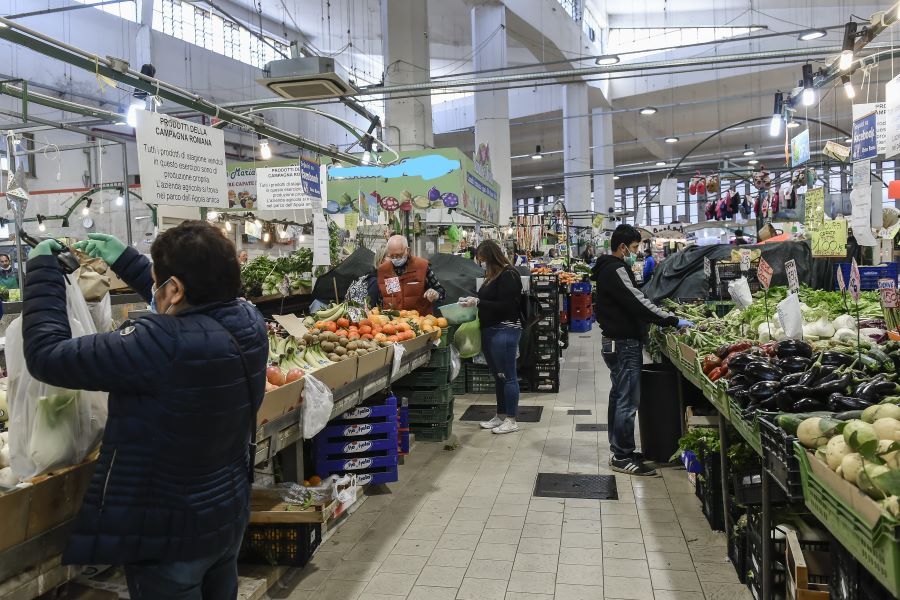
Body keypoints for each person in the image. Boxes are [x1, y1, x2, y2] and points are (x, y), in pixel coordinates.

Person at [23, 221, 268, 599]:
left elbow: (46, 357)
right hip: (225, 515)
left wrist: (41, 274)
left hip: (167, 534)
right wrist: (126, 260)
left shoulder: (158, 343)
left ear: (173, 288)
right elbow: (186, 309)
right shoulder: (248, 322)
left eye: (156, 280)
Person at [592, 224, 692, 476]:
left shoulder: (607, 269)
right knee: (627, 399)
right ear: (622, 246)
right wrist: (671, 319)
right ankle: (622, 456)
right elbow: (637, 301)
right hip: (623, 343)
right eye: (635, 247)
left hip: (615, 341)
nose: (637, 252)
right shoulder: (615, 269)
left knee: (619, 397)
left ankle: (620, 449)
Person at [459, 240, 523, 434]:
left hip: (505, 330)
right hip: (490, 330)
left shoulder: (509, 275)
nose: (482, 264)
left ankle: (511, 419)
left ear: (491, 257)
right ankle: (501, 415)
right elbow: (488, 300)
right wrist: (472, 302)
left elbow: (507, 306)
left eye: (483, 260)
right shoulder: (491, 276)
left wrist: (478, 301)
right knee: (498, 376)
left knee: (508, 376)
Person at [377, 235, 445, 315]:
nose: (395, 258)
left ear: (408, 250)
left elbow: (441, 292)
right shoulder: (383, 270)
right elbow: (381, 298)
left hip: (420, 321)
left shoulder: (422, 266)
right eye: (392, 256)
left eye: (399, 255)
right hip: (392, 322)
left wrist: (435, 294)